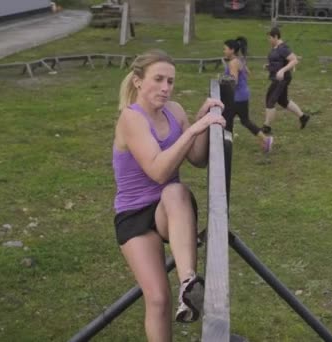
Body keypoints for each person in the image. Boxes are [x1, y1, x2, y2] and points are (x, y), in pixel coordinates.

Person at [112, 50, 225, 340]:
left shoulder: (174, 111)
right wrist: (193, 130)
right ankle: (178, 294)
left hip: (169, 210)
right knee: (158, 299)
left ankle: (188, 284)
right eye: (158, 79)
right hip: (134, 215)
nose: (166, 88)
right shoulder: (131, 118)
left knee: (175, 191)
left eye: (171, 81)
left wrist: (201, 119)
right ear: (138, 82)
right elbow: (157, 171)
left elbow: (198, 159)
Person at [222, 37, 273, 153]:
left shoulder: (233, 63)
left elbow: (233, 81)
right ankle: (265, 139)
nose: (224, 51)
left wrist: (222, 80)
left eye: (225, 49)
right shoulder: (239, 60)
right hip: (243, 95)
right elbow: (247, 73)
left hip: (236, 97)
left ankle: (226, 145)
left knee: (227, 120)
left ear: (232, 50)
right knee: (244, 121)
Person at [262, 27, 311, 135]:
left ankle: (266, 127)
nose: (268, 40)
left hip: (281, 79)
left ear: (275, 37)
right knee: (283, 101)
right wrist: (269, 66)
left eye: (270, 38)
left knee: (270, 101)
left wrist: (282, 70)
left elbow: (294, 60)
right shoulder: (276, 48)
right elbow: (279, 61)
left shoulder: (282, 48)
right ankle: (303, 117)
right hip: (277, 78)